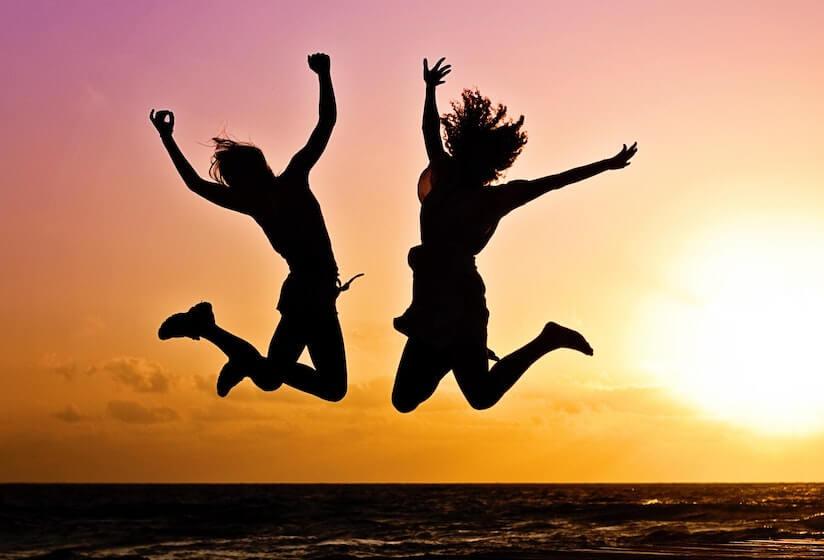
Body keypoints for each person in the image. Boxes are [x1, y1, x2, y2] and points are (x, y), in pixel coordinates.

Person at [392, 57, 637, 412]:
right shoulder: (445, 174)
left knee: (481, 396)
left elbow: (554, 182)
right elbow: (429, 131)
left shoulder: (493, 199)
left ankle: (547, 339)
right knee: (404, 399)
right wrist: (429, 89)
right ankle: (453, 353)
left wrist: (606, 165)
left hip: (460, 302)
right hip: (431, 299)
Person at [150, 53, 359, 401]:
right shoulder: (278, 188)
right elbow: (327, 122)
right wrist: (324, 73)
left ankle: (216, 336)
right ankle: (217, 336)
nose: (232, 186)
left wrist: (167, 138)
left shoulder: (270, 193)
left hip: (313, 292)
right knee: (308, 383)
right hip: (310, 294)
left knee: (280, 378)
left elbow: (326, 123)